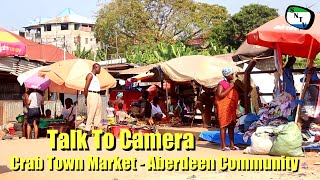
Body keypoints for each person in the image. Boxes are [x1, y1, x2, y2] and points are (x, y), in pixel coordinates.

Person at [216, 68, 239, 151]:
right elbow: (220, 95)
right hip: (224, 107)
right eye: (231, 74)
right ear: (227, 75)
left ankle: (232, 145)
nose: (233, 75)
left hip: (231, 107)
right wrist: (230, 87)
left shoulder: (232, 83)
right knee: (223, 125)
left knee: (231, 125)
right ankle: (223, 145)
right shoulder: (221, 84)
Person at [84, 63, 102, 132]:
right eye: (99, 68)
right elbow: (85, 88)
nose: (100, 70)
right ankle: (87, 129)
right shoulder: (90, 75)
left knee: (98, 112)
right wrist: (86, 97)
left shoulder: (96, 77)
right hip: (92, 94)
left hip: (98, 94)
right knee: (91, 112)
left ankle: (96, 128)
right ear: (95, 68)